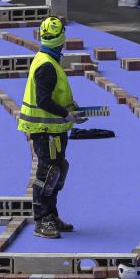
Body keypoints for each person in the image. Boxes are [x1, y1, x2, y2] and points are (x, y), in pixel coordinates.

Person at [17, 16, 87, 238]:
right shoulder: (47, 65)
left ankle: (51, 215)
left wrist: (71, 108)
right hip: (45, 130)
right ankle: (42, 220)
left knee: (57, 170)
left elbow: (54, 96)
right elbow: (43, 100)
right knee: (48, 172)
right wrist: (67, 114)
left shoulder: (47, 59)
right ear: (62, 40)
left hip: (54, 130)